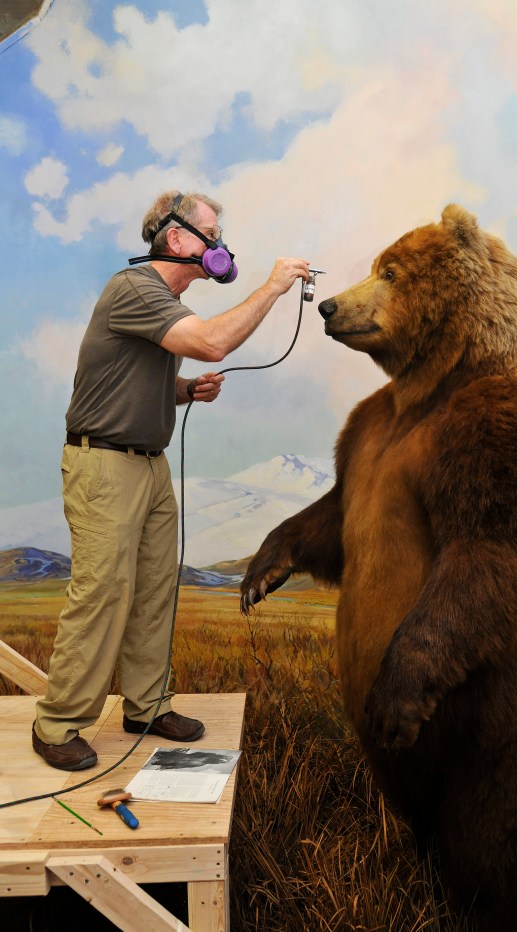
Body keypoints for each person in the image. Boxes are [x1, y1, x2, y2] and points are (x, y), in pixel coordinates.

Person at [32, 190, 310, 771]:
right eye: (212, 231)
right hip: (105, 465)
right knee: (103, 591)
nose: (220, 244)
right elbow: (211, 341)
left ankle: (147, 705)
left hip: (148, 464)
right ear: (177, 238)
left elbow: (127, 380)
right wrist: (273, 286)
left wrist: (185, 390)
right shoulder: (134, 289)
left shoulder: (161, 304)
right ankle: (57, 725)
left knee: (157, 588)